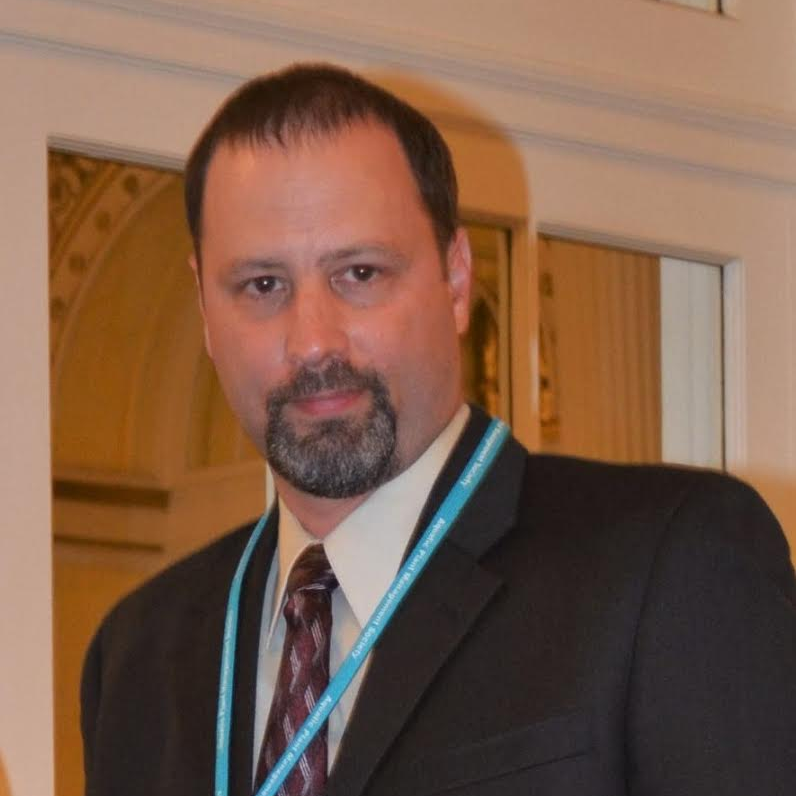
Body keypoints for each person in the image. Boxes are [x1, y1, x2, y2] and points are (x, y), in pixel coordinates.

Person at [81, 63, 796, 796]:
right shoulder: (137, 657)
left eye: (359, 273)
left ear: (456, 280)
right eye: (262, 286)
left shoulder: (667, 567)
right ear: (205, 309)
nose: (314, 341)